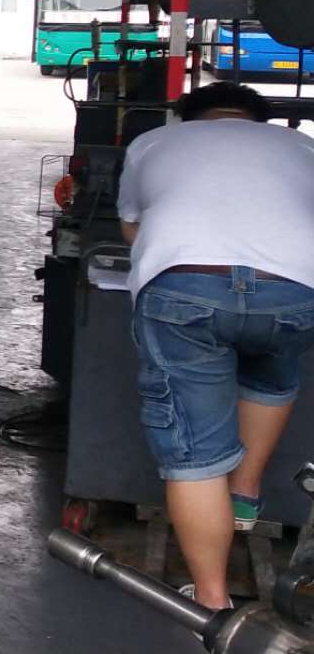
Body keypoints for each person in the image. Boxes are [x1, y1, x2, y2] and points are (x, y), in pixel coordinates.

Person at [118, 81, 314, 612]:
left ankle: (211, 602)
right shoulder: (301, 146)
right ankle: (244, 494)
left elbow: (132, 227)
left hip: (186, 287)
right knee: (274, 368)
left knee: (195, 453)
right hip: (296, 289)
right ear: (258, 121)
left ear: (188, 117)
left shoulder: (154, 142)